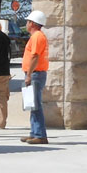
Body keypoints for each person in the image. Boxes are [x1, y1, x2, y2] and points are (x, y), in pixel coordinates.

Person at [21, 9, 50, 145]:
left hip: (35, 74)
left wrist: (28, 74)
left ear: (32, 23)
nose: (26, 24)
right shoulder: (37, 36)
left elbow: (35, 56)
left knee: (36, 106)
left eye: (28, 21)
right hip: (35, 73)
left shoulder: (37, 36)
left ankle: (40, 135)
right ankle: (34, 133)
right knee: (32, 105)